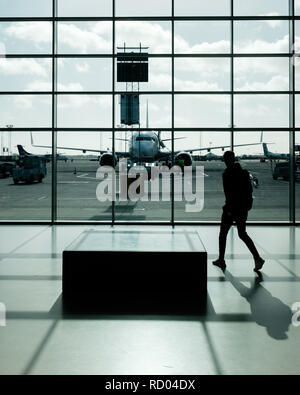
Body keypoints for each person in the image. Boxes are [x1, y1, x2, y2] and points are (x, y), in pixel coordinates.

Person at [213, 150, 265, 272]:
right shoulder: (244, 173)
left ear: (226, 160)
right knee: (242, 234)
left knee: (223, 234)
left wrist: (229, 210)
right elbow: (249, 190)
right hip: (242, 208)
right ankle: (257, 258)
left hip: (231, 209)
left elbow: (229, 194)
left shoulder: (226, 174)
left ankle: (221, 260)